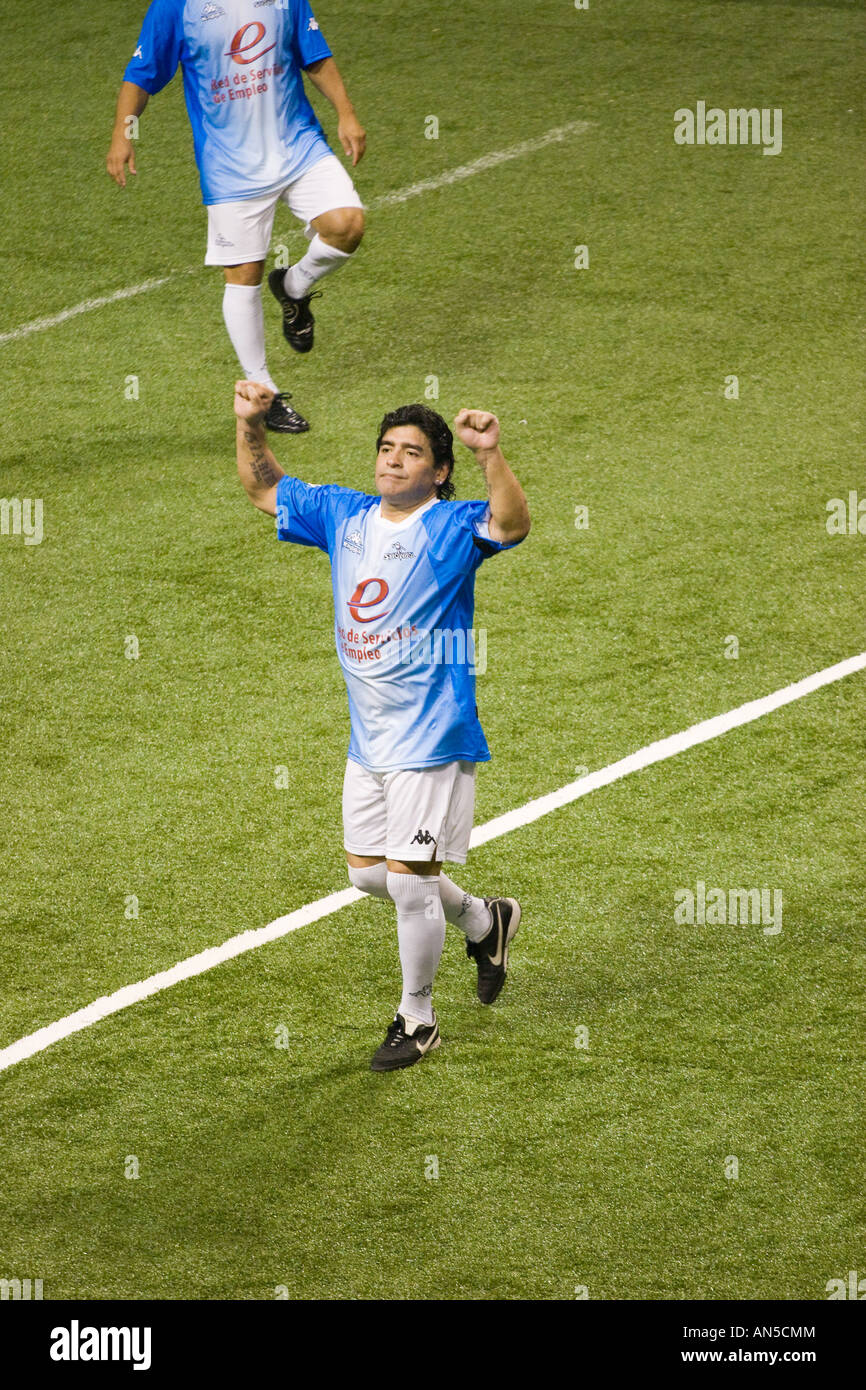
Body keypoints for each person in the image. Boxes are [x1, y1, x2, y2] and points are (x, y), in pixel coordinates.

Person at [233, 381, 531, 1070]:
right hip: (367, 739)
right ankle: (487, 923)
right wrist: (248, 423)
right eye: (387, 449)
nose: (393, 462)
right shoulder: (345, 515)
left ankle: (417, 1018)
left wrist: (492, 455)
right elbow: (263, 489)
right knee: (368, 877)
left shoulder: (454, 527)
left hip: (432, 733)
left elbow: (512, 524)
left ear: (440, 471)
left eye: (412, 453)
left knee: (409, 882)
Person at [107, 0, 366, 434]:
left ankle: (293, 286)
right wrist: (122, 134)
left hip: (297, 143)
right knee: (243, 272)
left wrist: (346, 113)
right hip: (230, 164)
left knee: (348, 225)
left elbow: (315, 56)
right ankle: (262, 392)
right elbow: (142, 75)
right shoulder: (175, 7)